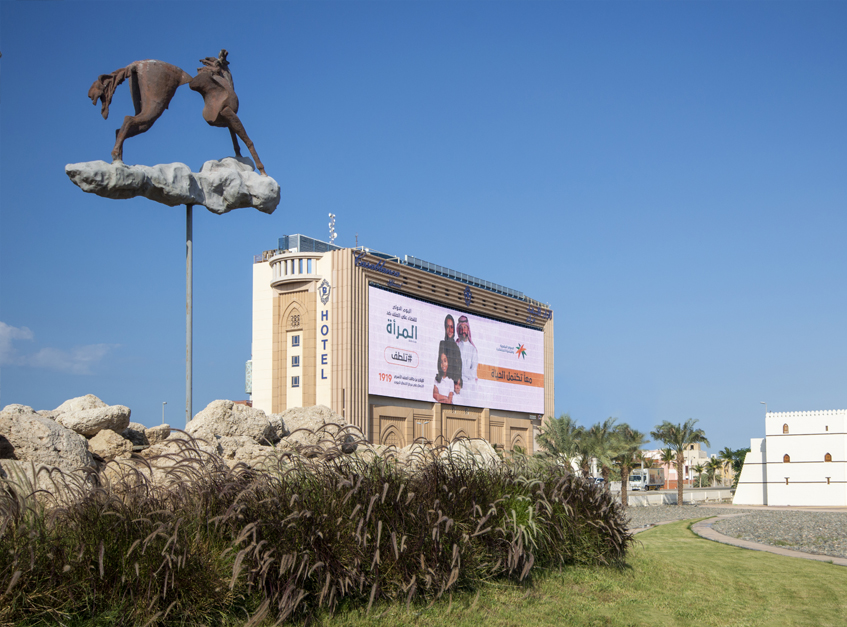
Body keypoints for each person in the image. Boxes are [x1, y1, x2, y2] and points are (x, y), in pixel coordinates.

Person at [455, 315, 479, 400]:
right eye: (460, 328)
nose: (463, 330)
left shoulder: (473, 350)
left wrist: (461, 371)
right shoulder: (455, 346)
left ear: (468, 329)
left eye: (465, 327)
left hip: (469, 391)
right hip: (455, 390)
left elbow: (473, 374)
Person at [442, 314, 463, 394]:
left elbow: (460, 367)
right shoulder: (442, 344)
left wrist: (457, 382)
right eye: (447, 326)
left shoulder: (456, 348)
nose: (450, 330)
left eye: (451, 327)